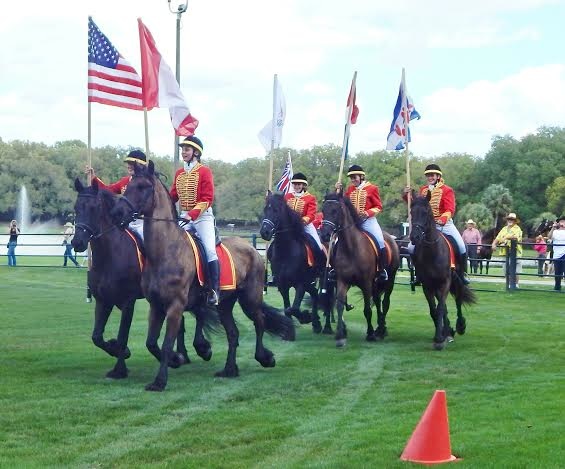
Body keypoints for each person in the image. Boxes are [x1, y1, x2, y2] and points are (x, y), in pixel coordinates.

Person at [170, 136, 219, 306]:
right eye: (182, 149)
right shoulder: (179, 173)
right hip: (183, 216)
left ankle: (214, 289)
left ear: (196, 152)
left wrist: (192, 214)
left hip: (202, 217)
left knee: (209, 250)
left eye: (187, 149)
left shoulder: (204, 171)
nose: (183, 152)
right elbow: (173, 196)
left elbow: (207, 199)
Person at [403, 164, 470, 284]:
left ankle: (462, 274)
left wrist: (442, 219)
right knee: (411, 247)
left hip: (444, 224)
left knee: (461, 246)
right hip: (427, 226)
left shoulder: (447, 190)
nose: (430, 177)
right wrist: (406, 195)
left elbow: (450, 209)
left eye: (432, 175)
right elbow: (417, 205)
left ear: (438, 176)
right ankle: (418, 274)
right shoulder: (423, 190)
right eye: (428, 175)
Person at [336, 164, 388, 281]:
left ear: (361, 176)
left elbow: (378, 206)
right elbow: (343, 203)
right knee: (338, 241)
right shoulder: (350, 189)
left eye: (355, 177)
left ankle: (381, 269)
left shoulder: (372, 188)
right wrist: (339, 191)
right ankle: (335, 268)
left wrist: (368, 213)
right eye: (351, 177)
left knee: (380, 240)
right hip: (353, 223)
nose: (353, 179)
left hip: (368, 221)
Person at [85, 150, 147, 240]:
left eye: (132, 164)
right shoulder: (124, 181)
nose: (129, 166)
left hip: (143, 223)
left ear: (141, 166)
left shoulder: (147, 183)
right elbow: (107, 190)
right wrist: (93, 178)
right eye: (128, 163)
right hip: (125, 222)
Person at [284, 173, 326, 271]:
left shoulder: (310, 198)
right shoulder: (287, 196)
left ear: (303, 185)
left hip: (305, 225)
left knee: (318, 245)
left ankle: (319, 268)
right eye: (295, 184)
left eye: (299, 184)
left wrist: (302, 221)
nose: (297, 186)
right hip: (289, 226)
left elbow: (311, 214)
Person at [491, 213, 523, 287]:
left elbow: (516, 237)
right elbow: (497, 238)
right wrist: (494, 244)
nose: (510, 220)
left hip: (515, 252)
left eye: (512, 219)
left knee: (515, 270)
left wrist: (506, 238)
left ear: (515, 221)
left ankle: (516, 284)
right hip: (504, 252)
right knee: (506, 269)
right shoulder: (504, 229)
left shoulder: (517, 229)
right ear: (507, 220)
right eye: (509, 219)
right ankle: (508, 284)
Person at [547, 215, 565, 291]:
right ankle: (557, 287)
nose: (562, 223)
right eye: (561, 221)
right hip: (557, 254)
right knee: (557, 272)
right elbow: (549, 236)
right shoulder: (555, 232)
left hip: (564, 253)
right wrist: (553, 227)